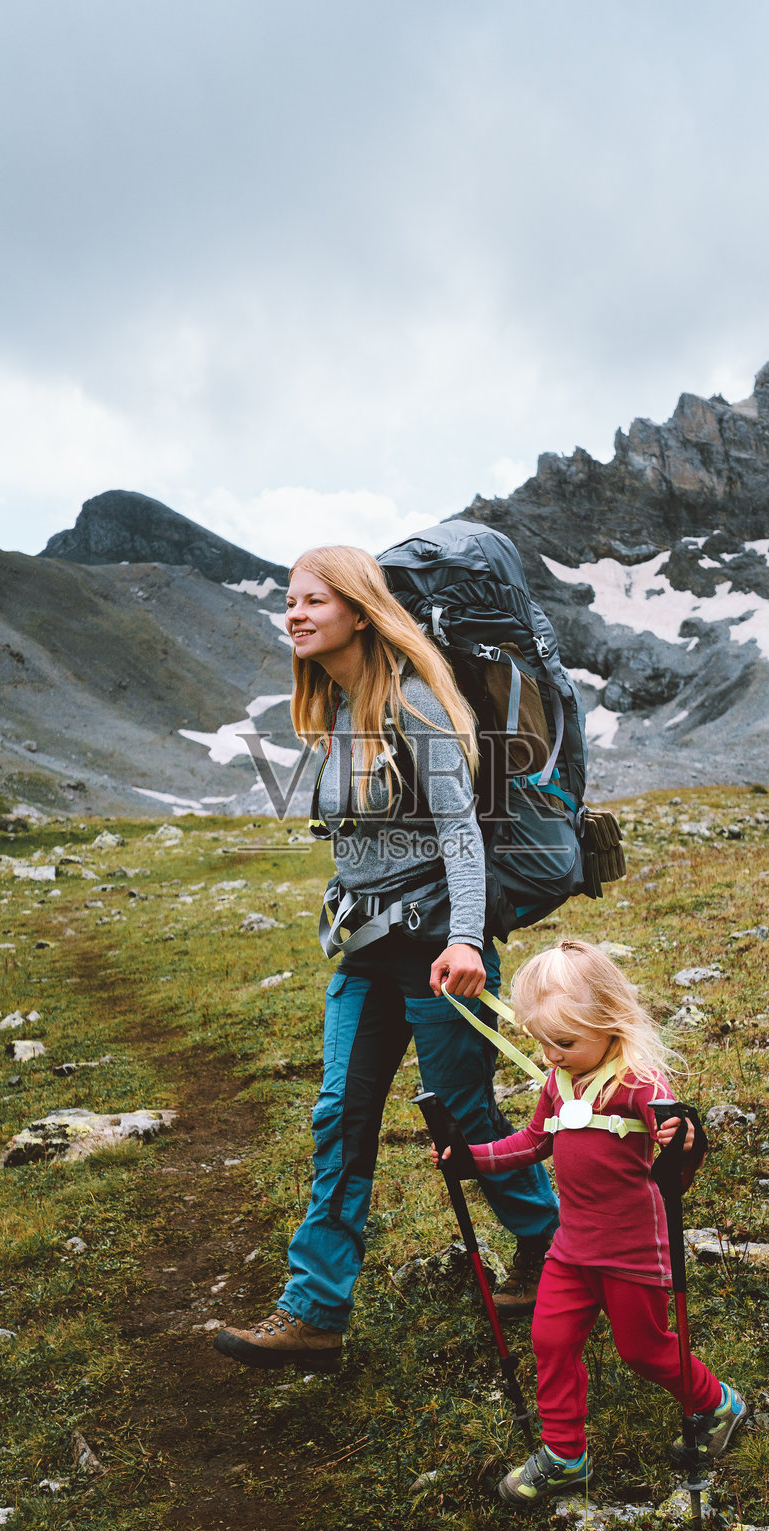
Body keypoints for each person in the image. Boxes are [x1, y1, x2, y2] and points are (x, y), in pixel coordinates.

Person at [214, 547, 560, 1374]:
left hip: (440, 952)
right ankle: (315, 1311)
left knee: (464, 1114)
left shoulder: (415, 704)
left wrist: (468, 942)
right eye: (289, 603)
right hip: (366, 953)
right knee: (340, 1116)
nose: (294, 614)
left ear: (360, 612)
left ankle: (550, 1251)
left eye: (313, 602)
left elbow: (459, 836)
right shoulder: (332, 710)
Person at [436, 939, 747, 1508]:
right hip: (571, 1247)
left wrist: (685, 1141)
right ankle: (564, 1456)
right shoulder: (557, 1083)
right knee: (549, 1339)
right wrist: (471, 1159)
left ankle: (718, 1402)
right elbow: (532, 1144)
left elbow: (675, 1167)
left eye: (565, 1042)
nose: (551, 1054)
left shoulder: (639, 1085)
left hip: (632, 1251)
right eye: (542, 1042)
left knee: (645, 1350)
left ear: (610, 1022)